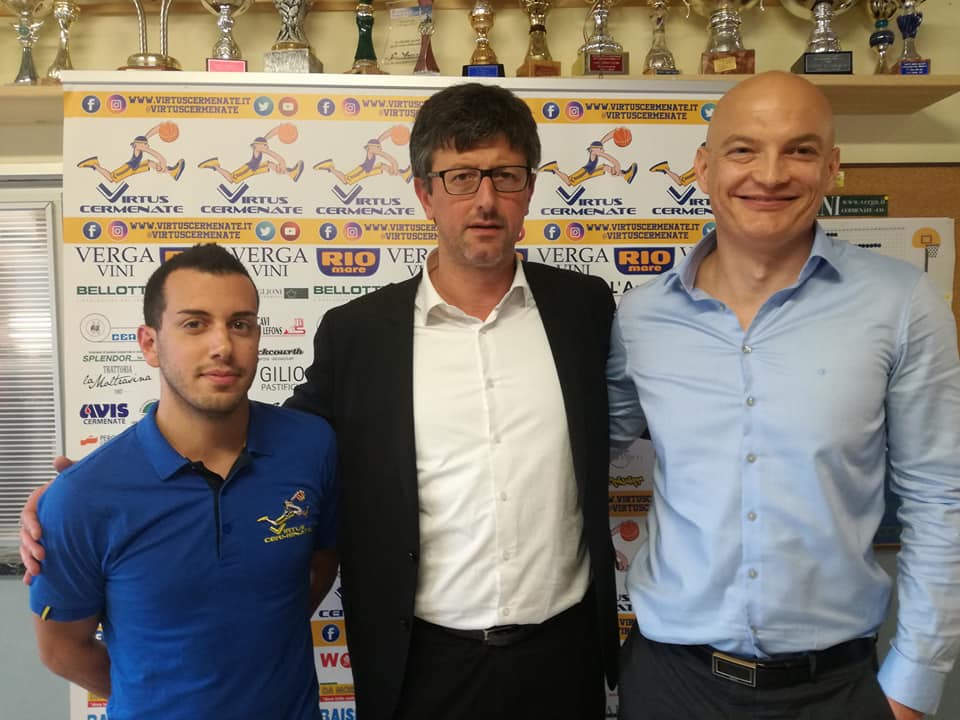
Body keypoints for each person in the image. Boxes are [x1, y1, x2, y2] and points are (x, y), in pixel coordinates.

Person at [22, 84, 618, 720]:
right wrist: (79, 492)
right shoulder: (357, 334)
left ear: (530, 187)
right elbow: (264, 438)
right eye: (461, 176)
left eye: (506, 175)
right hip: (422, 665)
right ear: (425, 194)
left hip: (564, 653)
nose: (486, 199)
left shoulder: (584, 309)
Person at [608, 71, 960, 720]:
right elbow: (575, 452)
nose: (769, 175)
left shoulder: (902, 304)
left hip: (836, 690)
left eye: (799, 150)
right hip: (670, 685)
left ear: (831, 168)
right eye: (743, 150)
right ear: (704, 168)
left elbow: (941, 498)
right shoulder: (641, 317)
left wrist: (914, 682)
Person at [28, 244, 339, 720]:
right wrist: (157, 694)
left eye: (240, 324)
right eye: (194, 324)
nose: (223, 346)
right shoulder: (82, 497)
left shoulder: (311, 446)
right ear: (149, 344)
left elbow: (318, 568)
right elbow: (61, 649)